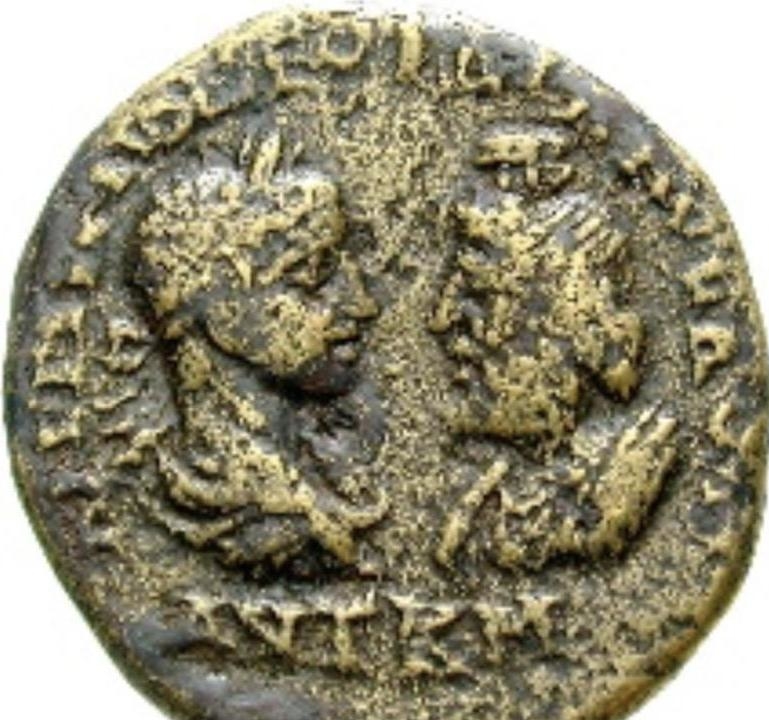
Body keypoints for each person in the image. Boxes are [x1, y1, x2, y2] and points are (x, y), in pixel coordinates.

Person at [134, 133, 387, 574]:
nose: (363, 305)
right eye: (314, 276)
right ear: (224, 313)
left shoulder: (302, 490)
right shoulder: (254, 521)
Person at [431, 187, 676, 570]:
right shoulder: (493, 486)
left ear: (571, 326)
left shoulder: (610, 495)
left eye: (479, 297)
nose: (442, 320)